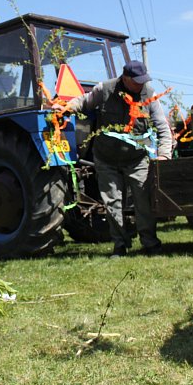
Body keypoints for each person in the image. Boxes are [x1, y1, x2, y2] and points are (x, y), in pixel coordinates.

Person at [60, 60, 173, 258]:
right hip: (106, 158)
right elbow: (84, 101)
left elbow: (162, 126)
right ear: (125, 78)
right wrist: (68, 107)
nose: (141, 85)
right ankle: (120, 245)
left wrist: (164, 153)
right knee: (112, 204)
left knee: (143, 202)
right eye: (137, 81)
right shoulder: (105, 89)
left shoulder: (149, 93)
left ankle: (150, 243)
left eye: (143, 80)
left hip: (137, 159)